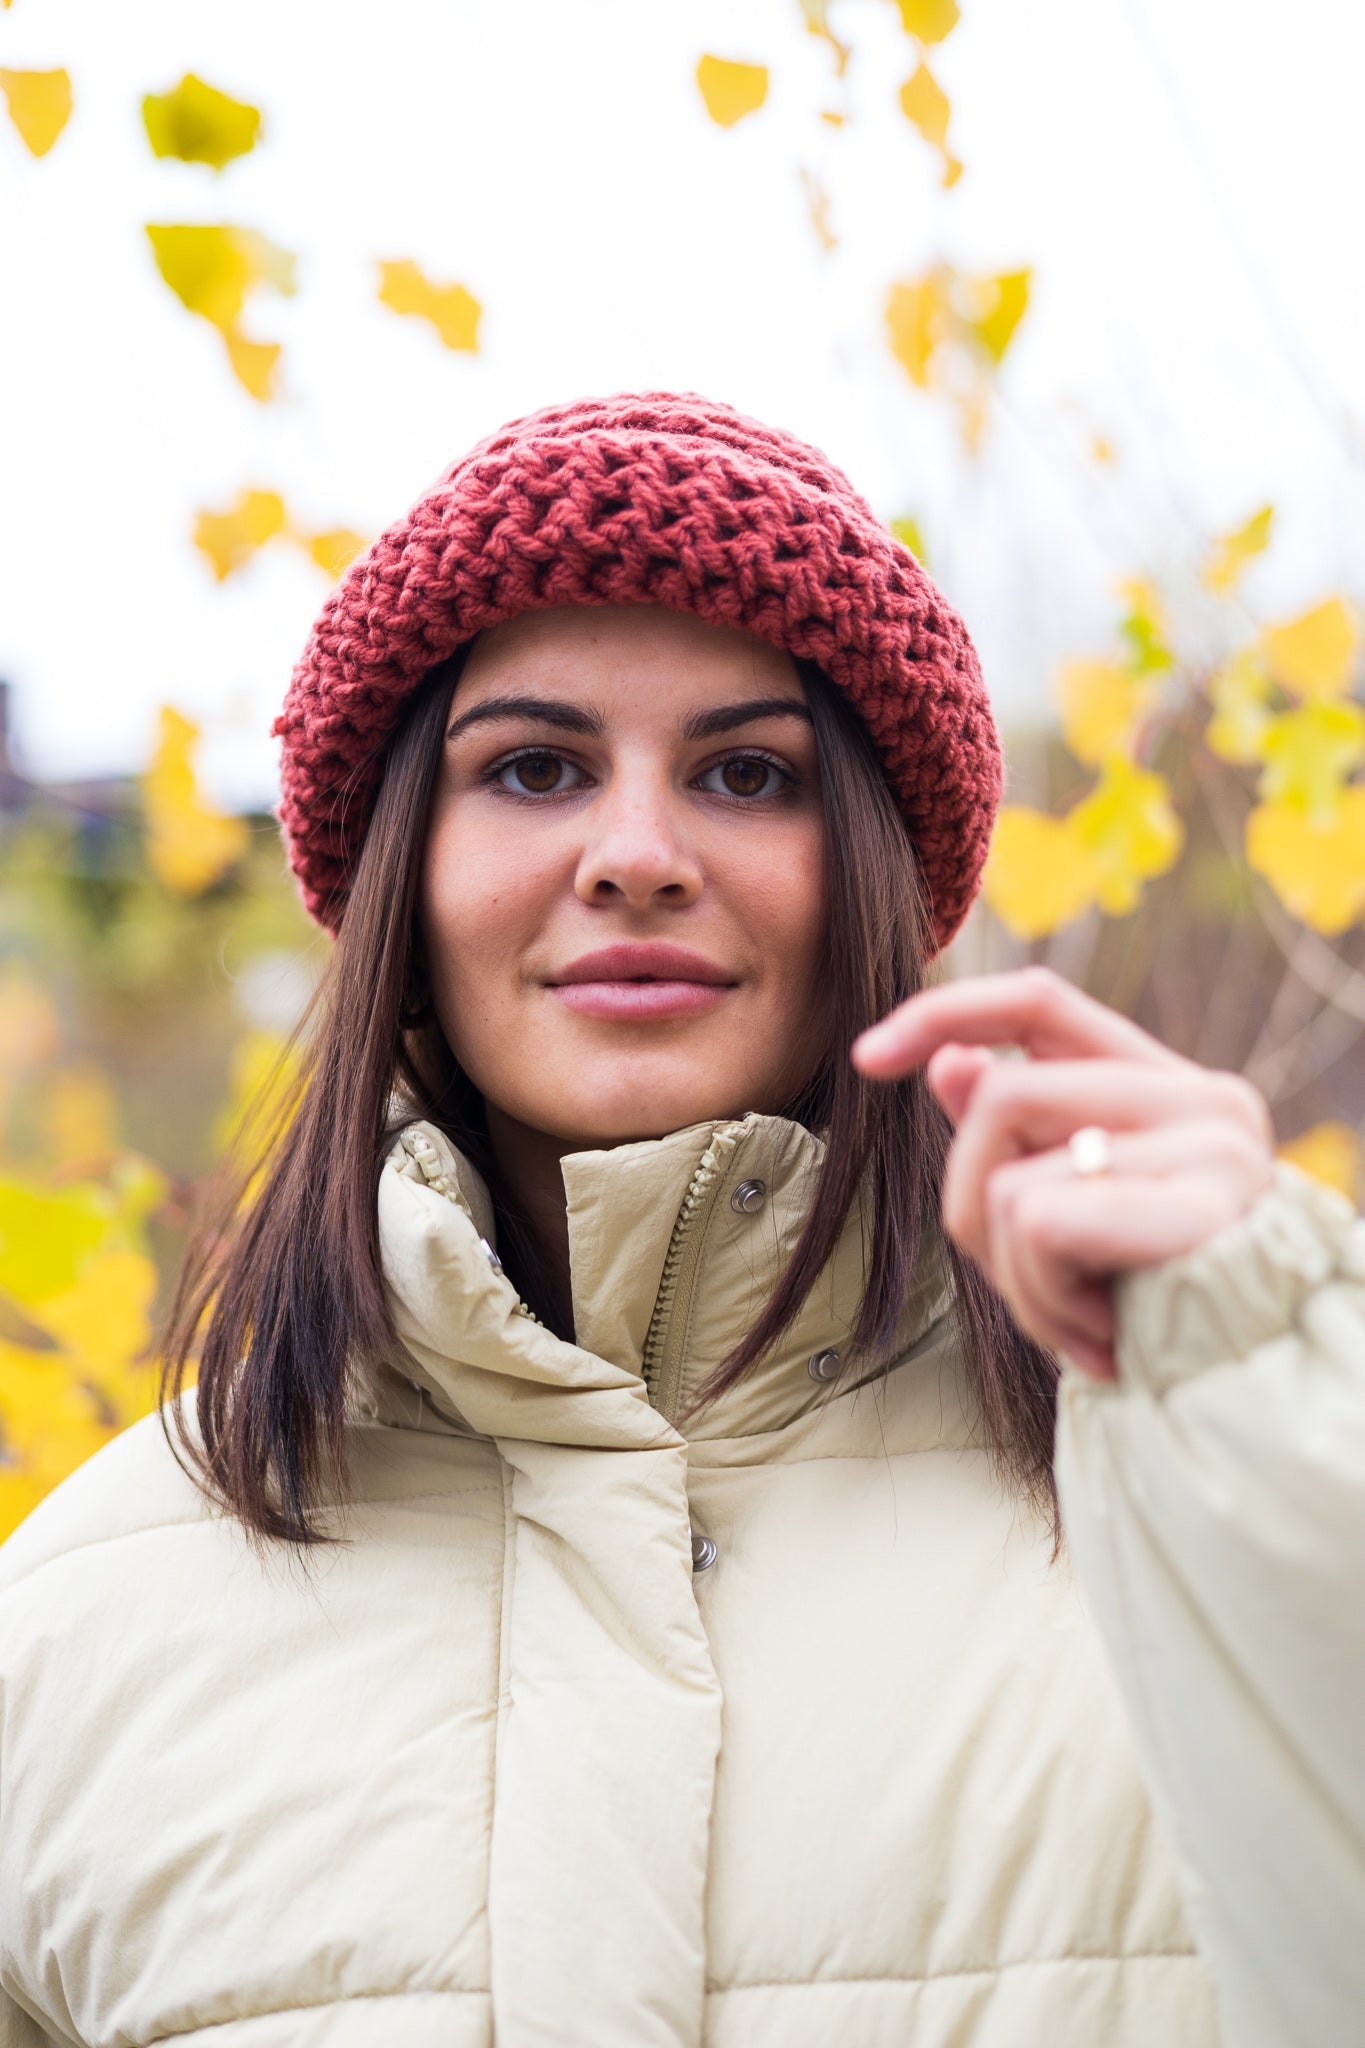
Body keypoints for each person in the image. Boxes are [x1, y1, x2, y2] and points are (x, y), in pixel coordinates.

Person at [0, 393, 1361, 2048]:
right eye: (532, 767)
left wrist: (1280, 1402)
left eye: (742, 773)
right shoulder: (74, 1625)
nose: (635, 854)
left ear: (865, 869)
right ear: (398, 885)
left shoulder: (1202, 1460)